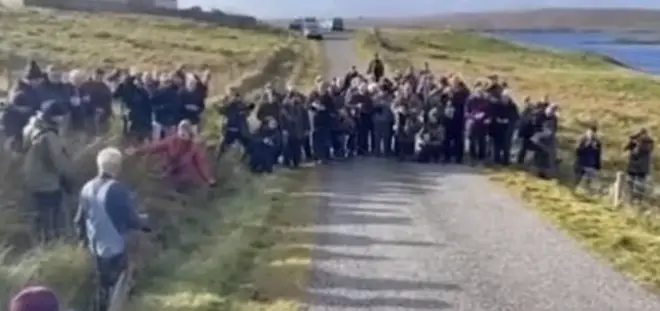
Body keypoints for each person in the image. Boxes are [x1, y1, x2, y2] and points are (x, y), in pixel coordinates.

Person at [74, 147, 151, 311]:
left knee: (101, 287)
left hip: (95, 246)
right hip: (116, 246)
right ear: (117, 167)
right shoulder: (117, 189)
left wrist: (83, 241)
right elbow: (130, 219)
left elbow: (79, 220)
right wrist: (145, 223)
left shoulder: (86, 188)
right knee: (119, 288)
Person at [22, 100, 73, 243]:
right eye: (60, 116)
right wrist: (69, 177)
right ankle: (53, 241)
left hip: (31, 175)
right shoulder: (49, 135)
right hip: (47, 179)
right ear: (53, 116)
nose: (62, 119)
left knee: (39, 211)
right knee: (53, 212)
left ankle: (38, 239)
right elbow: (58, 161)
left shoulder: (31, 127)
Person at [129, 120, 215, 191]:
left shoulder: (194, 147)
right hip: (170, 173)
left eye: (185, 134)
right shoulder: (171, 141)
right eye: (181, 132)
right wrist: (137, 151)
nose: (182, 136)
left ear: (190, 135)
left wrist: (209, 179)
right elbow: (154, 147)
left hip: (186, 177)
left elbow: (201, 164)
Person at [624, 128, 654, 203]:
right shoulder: (634, 142)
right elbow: (626, 148)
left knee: (639, 189)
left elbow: (646, 150)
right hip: (632, 168)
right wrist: (632, 141)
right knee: (629, 187)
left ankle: (637, 203)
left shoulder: (648, 142)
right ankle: (629, 202)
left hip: (641, 170)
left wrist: (638, 143)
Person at [573, 125, 602, 190]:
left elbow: (598, 154)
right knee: (577, 181)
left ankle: (587, 194)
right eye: (590, 132)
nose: (591, 134)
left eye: (593, 133)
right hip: (581, 164)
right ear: (587, 132)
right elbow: (577, 151)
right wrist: (585, 145)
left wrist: (598, 166)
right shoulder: (582, 139)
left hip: (591, 165)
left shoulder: (597, 142)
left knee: (588, 184)